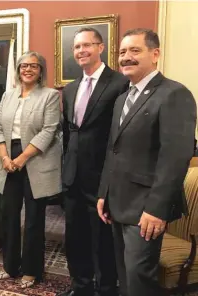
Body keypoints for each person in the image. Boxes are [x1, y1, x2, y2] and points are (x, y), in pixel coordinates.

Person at [97, 28, 196, 296]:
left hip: (146, 210)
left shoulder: (174, 94)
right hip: (118, 202)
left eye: (134, 50)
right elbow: (112, 150)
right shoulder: (121, 99)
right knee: (125, 274)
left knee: (140, 278)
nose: (126, 57)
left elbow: (175, 157)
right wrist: (104, 193)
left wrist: (157, 209)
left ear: (155, 54)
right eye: (122, 52)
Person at [59, 28, 129, 296]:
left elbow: (119, 137)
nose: (81, 51)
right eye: (77, 47)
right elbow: (69, 133)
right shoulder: (70, 89)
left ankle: (106, 289)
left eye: (87, 45)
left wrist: (110, 180)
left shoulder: (119, 83)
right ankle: (80, 286)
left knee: (103, 241)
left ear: (101, 48)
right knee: (75, 239)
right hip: (73, 177)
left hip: (102, 178)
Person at [0, 51, 62, 288]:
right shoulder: (8, 96)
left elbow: (49, 130)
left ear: (41, 70)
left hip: (35, 159)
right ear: (18, 69)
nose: (28, 69)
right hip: (7, 160)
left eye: (34, 66)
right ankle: (10, 266)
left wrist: (21, 158)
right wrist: (4, 156)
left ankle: (32, 270)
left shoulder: (50, 96)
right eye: (24, 65)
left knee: (34, 218)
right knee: (8, 215)